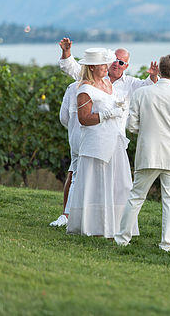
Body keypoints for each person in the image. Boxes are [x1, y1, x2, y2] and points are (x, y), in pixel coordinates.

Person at [49, 38, 159, 226]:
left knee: (113, 180)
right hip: (89, 134)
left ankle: (106, 218)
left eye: (121, 62)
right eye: (114, 59)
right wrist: (67, 52)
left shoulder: (131, 84)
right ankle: (67, 215)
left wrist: (155, 77)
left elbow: (149, 89)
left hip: (115, 137)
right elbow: (73, 69)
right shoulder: (91, 79)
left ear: (126, 66)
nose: (115, 64)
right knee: (77, 172)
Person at [114, 54, 170, 252]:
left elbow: (132, 126)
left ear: (160, 70)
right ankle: (167, 244)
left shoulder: (142, 93)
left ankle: (122, 238)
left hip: (148, 152)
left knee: (136, 196)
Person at [66, 48, 136, 237]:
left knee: (119, 184)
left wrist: (119, 108)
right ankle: (93, 226)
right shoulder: (85, 89)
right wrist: (106, 114)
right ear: (93, 67)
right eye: (103, 64)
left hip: (115, 140)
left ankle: (117, 225)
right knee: (96, 184)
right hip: (96, 142)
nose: (108, 67)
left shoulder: (108, 85)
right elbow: (84, 118)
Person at [49, 81, 79, 227]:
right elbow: (64, 118)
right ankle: (66, 215)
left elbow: (64, 118)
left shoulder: (74, 87)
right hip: (80, 139)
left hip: (80, 137)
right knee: (73, 173)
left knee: (74, 174)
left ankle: (68, 215)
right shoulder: (74, 87)